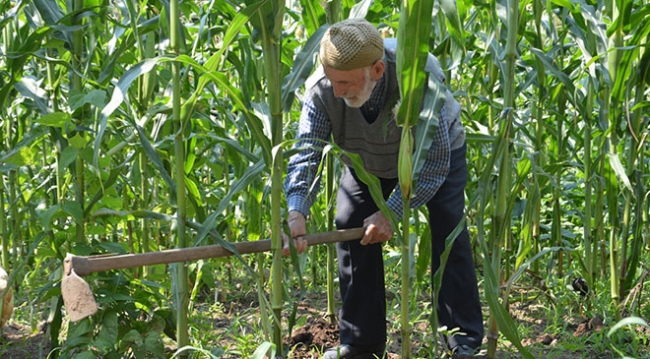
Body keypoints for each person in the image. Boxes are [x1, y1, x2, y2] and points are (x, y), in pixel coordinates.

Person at [282, 18, 484, 359]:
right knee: (349, 222)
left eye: (344, 82)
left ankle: (462, 340)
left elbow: (432, 165)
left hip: (433, 155)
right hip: (365, 160)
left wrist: (391, 212)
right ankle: (361, 342)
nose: (336, 91)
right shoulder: (322, 87)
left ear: (376, 70)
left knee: (448, 230)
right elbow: (307, 150)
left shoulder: (419, 78)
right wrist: (297, 209)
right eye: (332, 81)